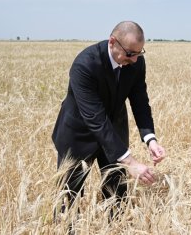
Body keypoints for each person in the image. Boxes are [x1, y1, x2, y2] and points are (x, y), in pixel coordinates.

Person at [52, 21, 166, 215]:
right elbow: (95, 119)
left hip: (114, 131)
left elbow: (140, 101)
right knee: (69, 197)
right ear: (112, 42)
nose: (135, 60)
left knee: (117, 194)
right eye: (130, 54)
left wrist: (150, 139)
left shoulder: (135, 61)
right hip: (78, 134)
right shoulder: (85, 64)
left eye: (139, 53)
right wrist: (130, 162)